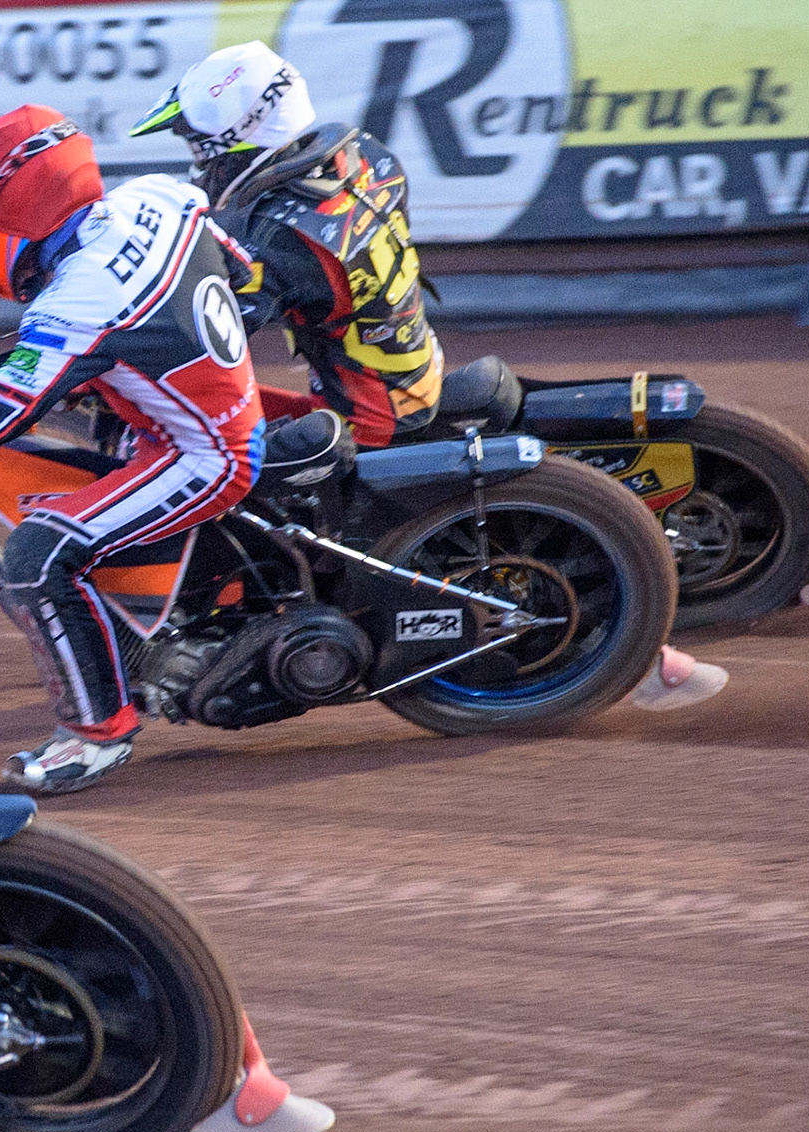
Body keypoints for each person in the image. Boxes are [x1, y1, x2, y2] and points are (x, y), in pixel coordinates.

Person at [132, 42, 729, 712]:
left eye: (204, 147)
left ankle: (281, 633)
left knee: (252, 496)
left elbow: (220, 325)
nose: (200, 163)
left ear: (242, 138)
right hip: (414, 363)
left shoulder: (286, 241)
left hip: (376, 415)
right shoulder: (357, 153)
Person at [0, 104, 274, 793]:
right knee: (82, 445)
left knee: (38, 553)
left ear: (15, 216)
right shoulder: (152, 196)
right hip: (208, 404)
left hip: (204, 454)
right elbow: (241, 270)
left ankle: (97, 734)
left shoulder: (80, 297)